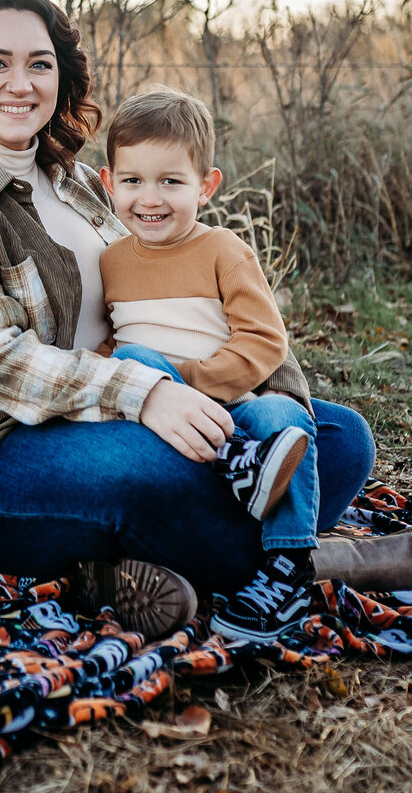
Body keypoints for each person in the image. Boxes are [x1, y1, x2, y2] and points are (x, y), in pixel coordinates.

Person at [0, 0, 412, 634]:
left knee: (333, 440)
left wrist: (267, 397)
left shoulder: (79, 182)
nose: (19, 83)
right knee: (156, 469)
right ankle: (318, 562)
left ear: (60, 77)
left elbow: (167, 301)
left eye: (39, 64)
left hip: (122, 404)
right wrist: (149, 395)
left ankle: (125, 567)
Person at [99, 86, 321, 641]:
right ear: (108, 183)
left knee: (284, 423)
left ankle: (289, 565)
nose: (150, 198)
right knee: (136, 357)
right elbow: (110, 349)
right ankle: (238, 469)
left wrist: (195, 385)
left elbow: (264, 341)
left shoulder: (223, 250)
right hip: (155, 421)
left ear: (207, 185)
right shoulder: (109, 262)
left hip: (233, 410)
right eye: (132, 181)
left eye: (171, 181)